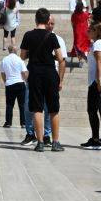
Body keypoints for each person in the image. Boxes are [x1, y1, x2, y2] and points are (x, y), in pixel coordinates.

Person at [20, 9, 66, 152]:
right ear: (47, 21)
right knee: (53, 109)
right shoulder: (51, 36)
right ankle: (55, 142)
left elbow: (22, 56)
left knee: (37, 109)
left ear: (35, 19)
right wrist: (60, 79)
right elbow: (60, 58)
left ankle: (39, 142)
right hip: (50, 73)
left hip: (34, 73)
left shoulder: (28, 35)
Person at [81, 22, 101, 150]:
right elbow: (96, 61)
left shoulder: (98, 44)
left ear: (96, 31)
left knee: (93, 110)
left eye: (90, 29)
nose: (87, 31)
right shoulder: (99, 44)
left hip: (98, 82)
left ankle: (98, 140)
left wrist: (99, 82)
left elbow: (100, 62)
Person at [0, 46, 28, 129]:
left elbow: (3, 73)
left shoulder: (4, 59)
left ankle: (8, 122)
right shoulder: (19, 59)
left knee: (9, 104)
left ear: (9, 50)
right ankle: (23, 123)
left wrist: (6, 81)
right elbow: (24, 72)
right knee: (22, 105)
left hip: (10, 84)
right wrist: (25, 80)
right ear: (15, 50)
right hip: (20, 83)